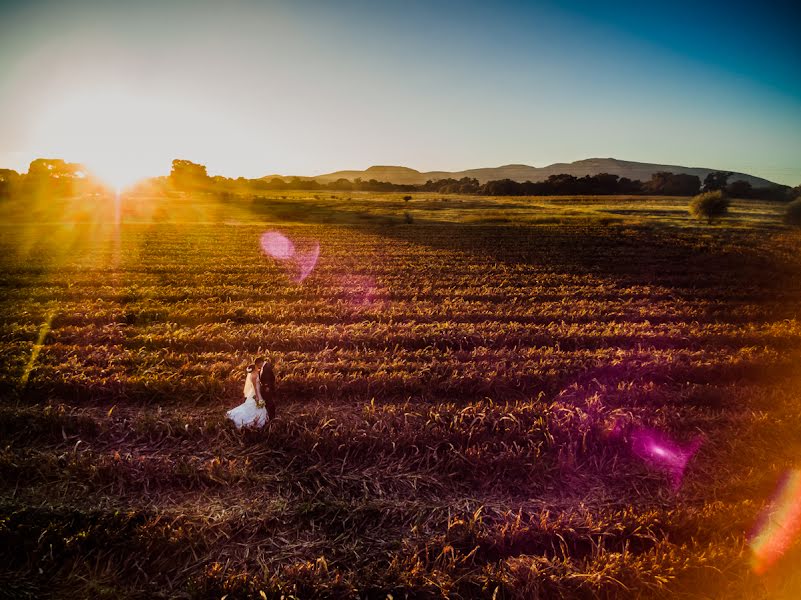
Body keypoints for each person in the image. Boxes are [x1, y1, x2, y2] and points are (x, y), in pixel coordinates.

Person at [226, 364, 267, 429]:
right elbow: (255, 387)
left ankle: (259, 419)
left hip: (257, 392)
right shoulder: (253, 376)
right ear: (254, 368)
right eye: (256, 367)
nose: (257, 367)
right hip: (255, 393)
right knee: (256, 406)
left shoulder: (254, 374)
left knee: (256, 406)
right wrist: (257, 396)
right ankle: (256, 419)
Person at [255, 356, 277, 421]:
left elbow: (270, 378)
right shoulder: (264, 367)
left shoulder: (267, 367)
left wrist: (267, 386)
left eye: (257, 365)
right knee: (267, 401)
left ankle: (272, 416)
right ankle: (268, 415)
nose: (258, 366)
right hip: (265, 387)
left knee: (269, 401)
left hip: (267, 388)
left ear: (260, 362)